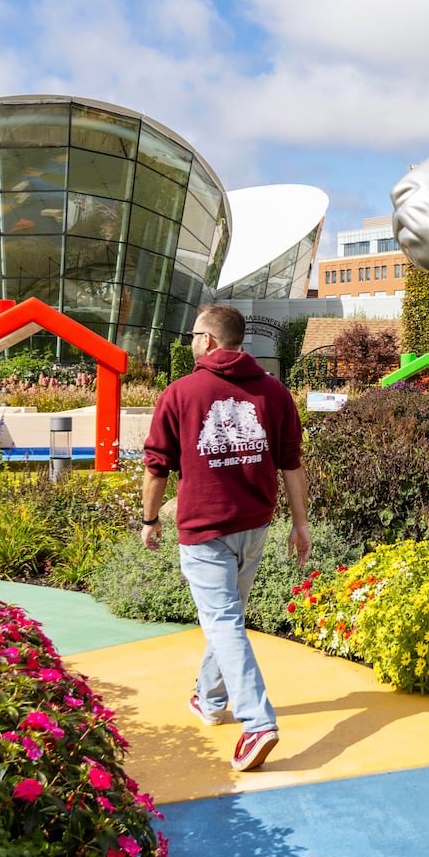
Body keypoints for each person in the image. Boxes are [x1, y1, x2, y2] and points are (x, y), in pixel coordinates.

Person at [140, 304, 310, 772]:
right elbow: (291, 463)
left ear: (209, 341)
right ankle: (210, 700)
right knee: (226, 619)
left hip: (205, 528)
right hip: (255, 525)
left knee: (222, 622)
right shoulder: (275, 392)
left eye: (195, 334)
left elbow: (156, 466)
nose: (191, 341)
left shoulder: (179, 393)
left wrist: (149, 519)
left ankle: (257, 722)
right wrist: (300, 524)